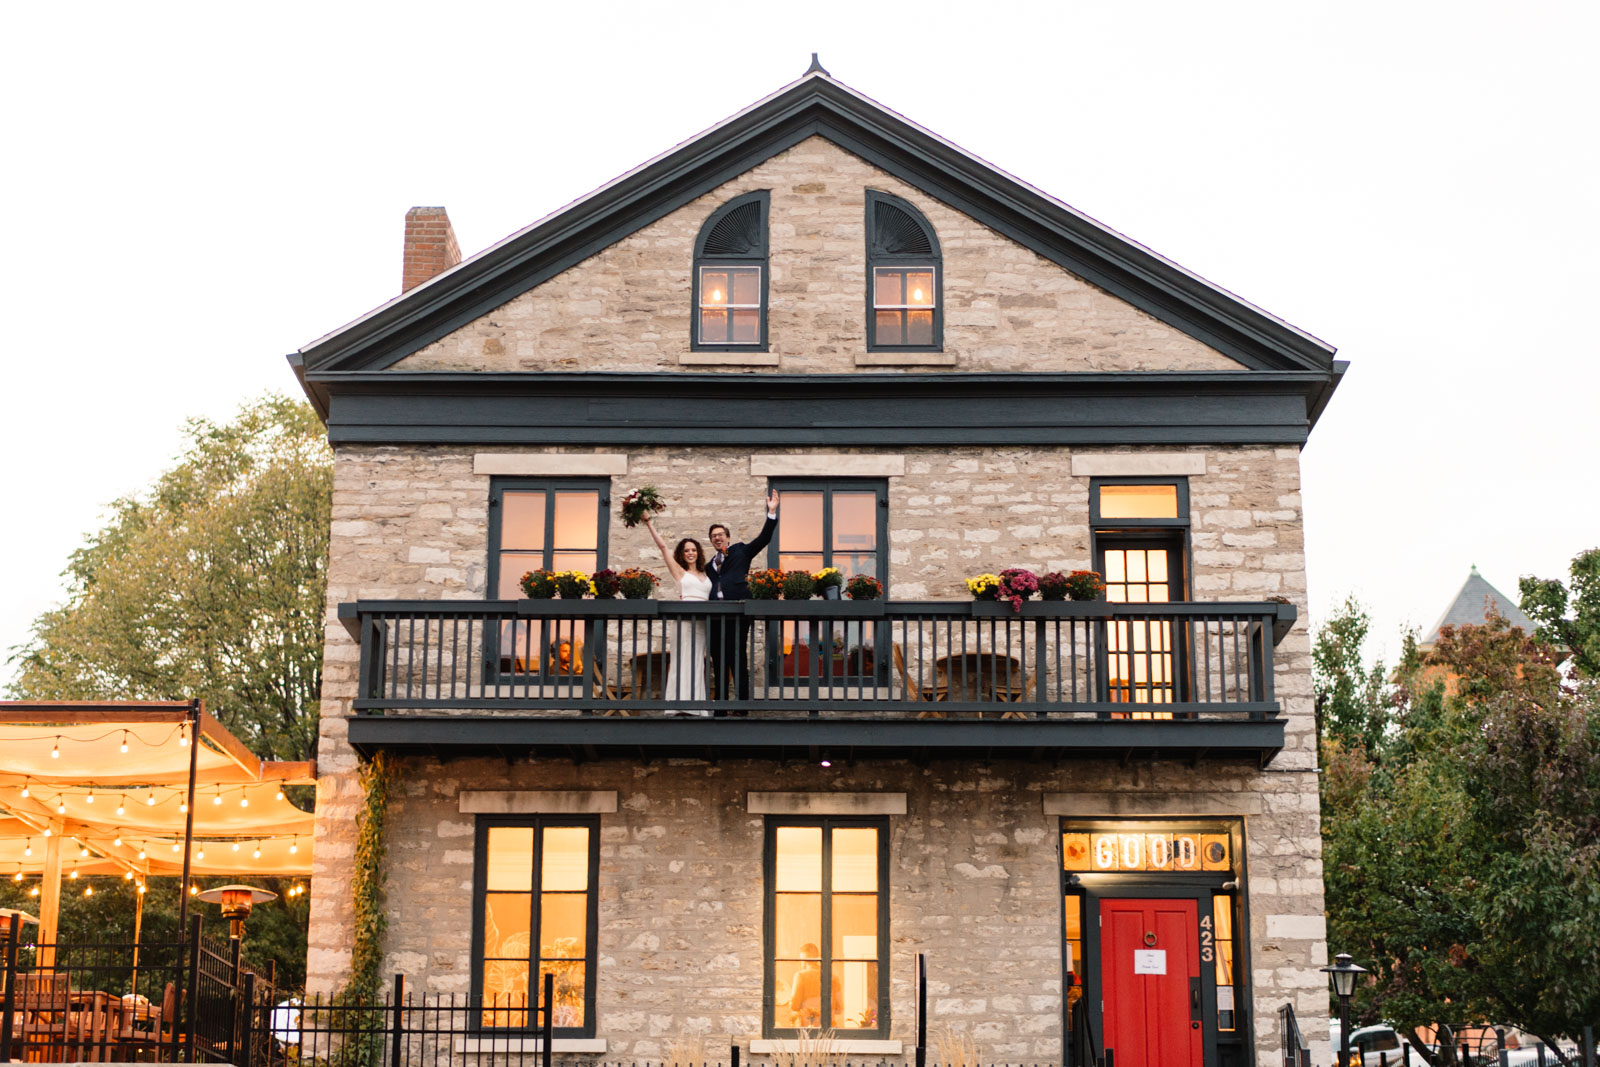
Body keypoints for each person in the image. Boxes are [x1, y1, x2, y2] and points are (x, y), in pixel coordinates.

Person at [706, 490, 779, 713]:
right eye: (713, 536)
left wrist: (772, 512)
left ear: (728, 537)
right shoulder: (709, 565)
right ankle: (720, 707)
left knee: (737, 657)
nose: (717, 538)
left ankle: (741, 706)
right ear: (711, 541)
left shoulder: (741, 552)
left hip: (737, 613)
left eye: (721, 534)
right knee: (718, 660)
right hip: (715, 616)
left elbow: (764, 539)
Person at [643, 517, 712, 717]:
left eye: (693, 550)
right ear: (682, 554)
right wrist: (649, 523)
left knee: (698, 660)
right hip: (684, 622)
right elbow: (663, 547)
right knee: (682, 659)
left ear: (698, 552)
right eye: (686, 550)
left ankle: (696, 705)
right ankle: (677, 704)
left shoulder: (706, 574)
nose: (690, 553)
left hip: (701, 623)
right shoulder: (680, 573)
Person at [785, 942, 842, 1027]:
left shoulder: (800, 976)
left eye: (801, 960)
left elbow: (795, 1006)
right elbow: (839, 1009)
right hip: (829, 1027)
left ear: (804, 960)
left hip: (808, 1027)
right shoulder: (833, 977)